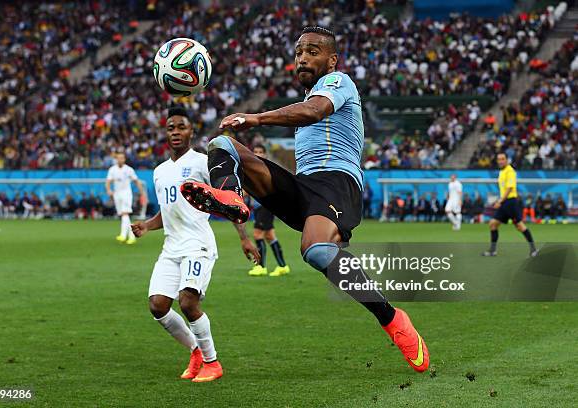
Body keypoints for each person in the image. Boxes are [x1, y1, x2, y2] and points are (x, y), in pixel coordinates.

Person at [180, 26, 429, 372]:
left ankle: (391, 318)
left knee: (316, 251)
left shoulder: (340, 83)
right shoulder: (311, 97)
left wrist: (255, 118)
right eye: (298, 53)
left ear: (332, 60)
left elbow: (313, 112)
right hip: (305, 186)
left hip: (338, 184)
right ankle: (232, 197)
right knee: (221, 145)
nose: (302, 58)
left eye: (312, 52)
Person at [131, 107, 260, 383]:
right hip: (171, 247)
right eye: (171, 128)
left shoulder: (203, 163)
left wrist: (244, 237)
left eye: (181, 127)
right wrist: (147, 225)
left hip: (197, 244)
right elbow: (167, 213)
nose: (176, 132)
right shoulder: (160, 171)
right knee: (158, 305)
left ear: (191, 131)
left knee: (188, 302)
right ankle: (196, 351)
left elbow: (228, 200)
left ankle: (213, 363)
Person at [246, 144, 291, 277]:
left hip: (266, 205)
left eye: (261, 151)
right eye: (256, 151)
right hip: (261, 205)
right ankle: (283, 266)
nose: (258, 153)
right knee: (269, 236)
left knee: (257, 234)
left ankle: (261, 267)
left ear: (265, 154)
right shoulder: (252, 168)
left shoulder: (265, 168)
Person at [482, 153, 537, 257]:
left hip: (511, 202)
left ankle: (533, 249)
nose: (500, 161)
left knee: (519, 226)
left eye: (503, 159)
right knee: (493, 224)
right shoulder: (502, 172)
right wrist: (501, 200)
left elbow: (509, 188)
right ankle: (492, 251)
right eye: (499, 159)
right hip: (505, 202)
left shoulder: (510, 171)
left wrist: (500, 201)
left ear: (507, 160)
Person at [105, 152, 146, 244]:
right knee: (124, 215)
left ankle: (123, 235)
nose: (120, 160)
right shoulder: (112, 169)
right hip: (117, 194)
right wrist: (108, 190)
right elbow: (108, 181)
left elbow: (136, 181)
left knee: (125, 213)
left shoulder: (128, 169)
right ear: (116, 159)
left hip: (126, 193)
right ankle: (131, 236)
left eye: (122, 158)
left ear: (124, 159)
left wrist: (142, 193)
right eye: (118, 158)